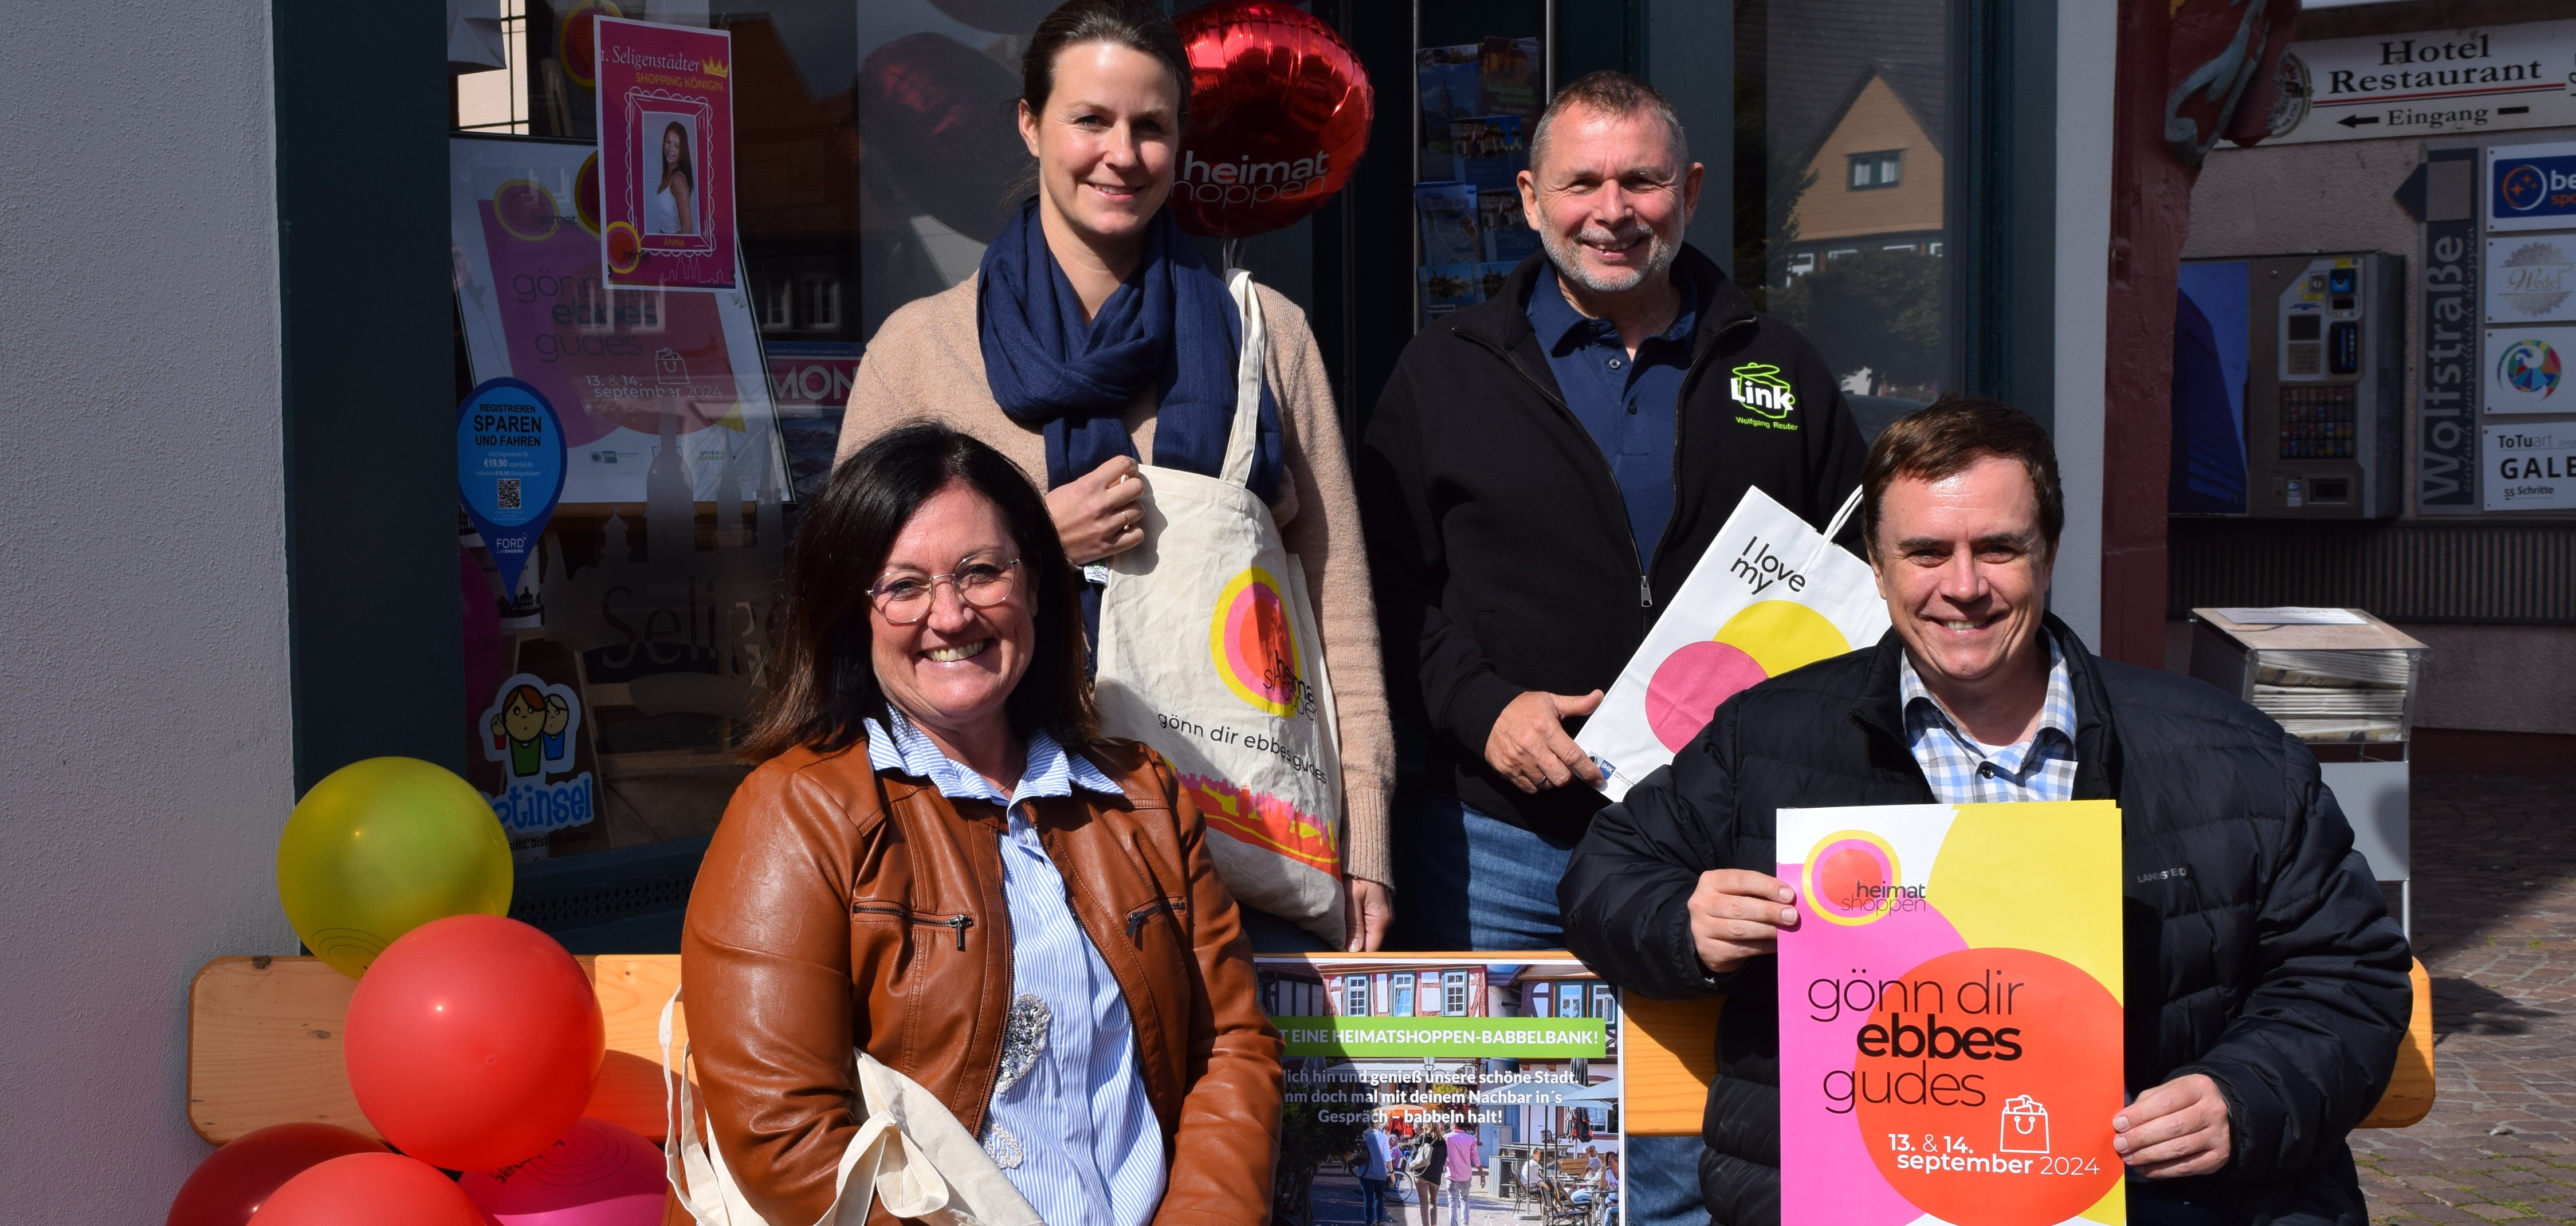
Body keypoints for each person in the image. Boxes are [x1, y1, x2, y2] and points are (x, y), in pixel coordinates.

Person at [1559, 398, 2415, 1226]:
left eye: (1998, 548)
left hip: (2153, 1204)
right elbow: (1607, 875)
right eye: (1926, 552)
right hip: (1854, 1203)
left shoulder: (2234, 755)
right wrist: (1684, 923)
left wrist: (2242, 1097)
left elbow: (2348, 976)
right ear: (1878, 559)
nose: (1962, 587)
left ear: (2048, 552)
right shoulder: (1764, 737)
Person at [842, 0, 1395, 952]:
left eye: (1151, 126)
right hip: (985, 854)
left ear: (1182, 143)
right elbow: (844, 594)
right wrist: (1022, 548)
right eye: (1090, 120)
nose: (1122, 154)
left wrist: (1367, 838)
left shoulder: (1267, 337)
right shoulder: (922, 350)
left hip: (1234, 851)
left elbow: (1334, 593)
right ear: (1030, 125)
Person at [681, 423, 1283, 1225]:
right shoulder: (796, 811)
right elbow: (782, 1133)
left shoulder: (1142, 795)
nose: (952, 614)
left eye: (981, 572)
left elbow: (1231, 1053)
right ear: (853, 613)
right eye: (903, 585)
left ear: (1036, 587)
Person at [650, 120, 694, 236]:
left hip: (674, 248)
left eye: (677, 146)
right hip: (663, 244)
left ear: (682, 150)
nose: (670, 149)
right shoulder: (666, 174)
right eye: (668, 142)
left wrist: (675, 252)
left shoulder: (678, 180)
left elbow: (688, 229)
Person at [1407, 1119, 1448, 1226]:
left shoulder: (1423, 1137)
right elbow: (1444, 1159)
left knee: (1424, 1203)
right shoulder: (1442, 1140)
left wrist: (1411, 1164)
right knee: (1433, 1202)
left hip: (1421, 1175)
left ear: (1426, 1125)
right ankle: (1434, 1224)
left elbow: (1414, 1155)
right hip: (1436, 1176)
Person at [1357, 1119, 1397, 1224]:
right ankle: (1378, 1221)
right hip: (1380, 1172)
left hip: (1364, 1171)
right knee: (1379, 1197)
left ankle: (1368, 1223)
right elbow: (1387, 1157)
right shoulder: (1383, 1137)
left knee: (1368, 1199)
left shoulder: (1363, 1136)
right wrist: (1392, 1173)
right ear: (1378, 1124)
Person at [1443, 1121, 1481, 1225]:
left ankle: (1453, 1224)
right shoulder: (1470, 1139)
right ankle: (1465, 1224)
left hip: (1451, 1175)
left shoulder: (1446, 1138)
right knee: (1464, 1199)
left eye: (1451, 1125)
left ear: (1455, 1125)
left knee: (1452, 1202)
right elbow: (1475, 1157)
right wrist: (1481, 1173)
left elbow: (1442, 1154)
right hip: (1466, 1175)